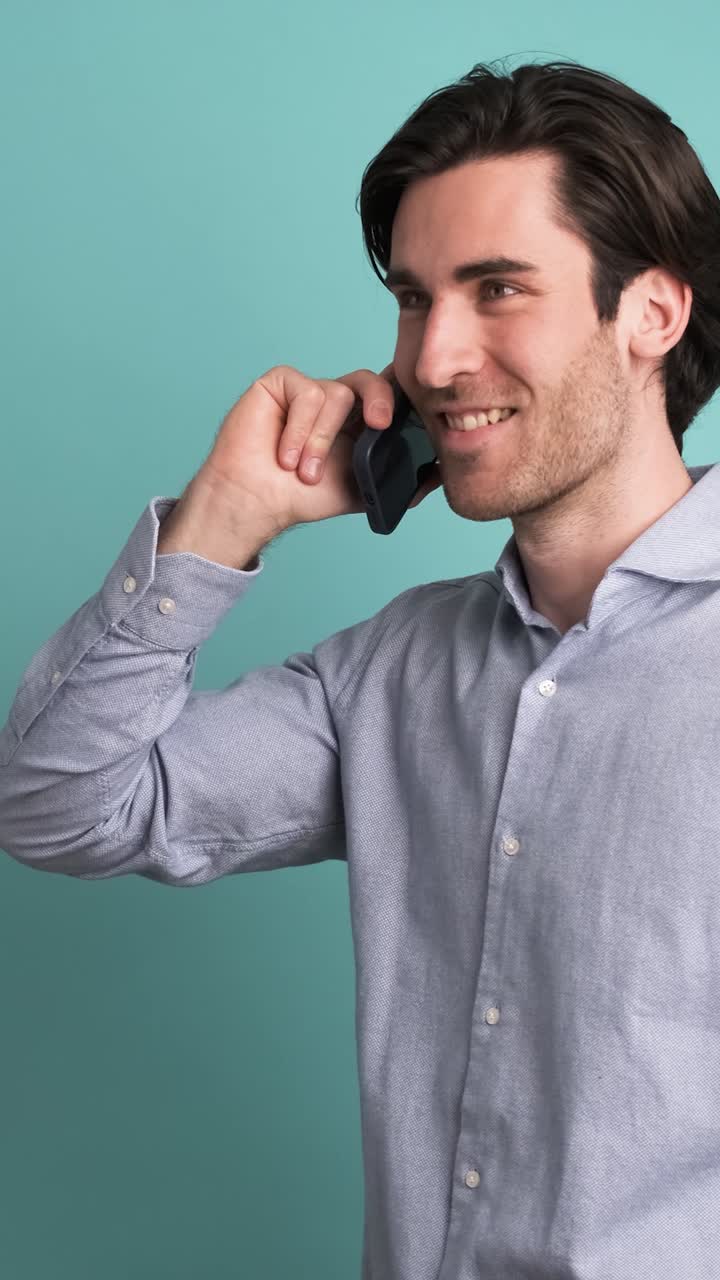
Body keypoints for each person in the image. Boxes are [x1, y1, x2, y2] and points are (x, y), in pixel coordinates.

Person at [2, 55, 720, 1279]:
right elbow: (58, 802)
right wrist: (224, 519)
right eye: (413, 297)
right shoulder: (390, 672)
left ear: (651, 312)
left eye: (498, 289)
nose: (435, 359)